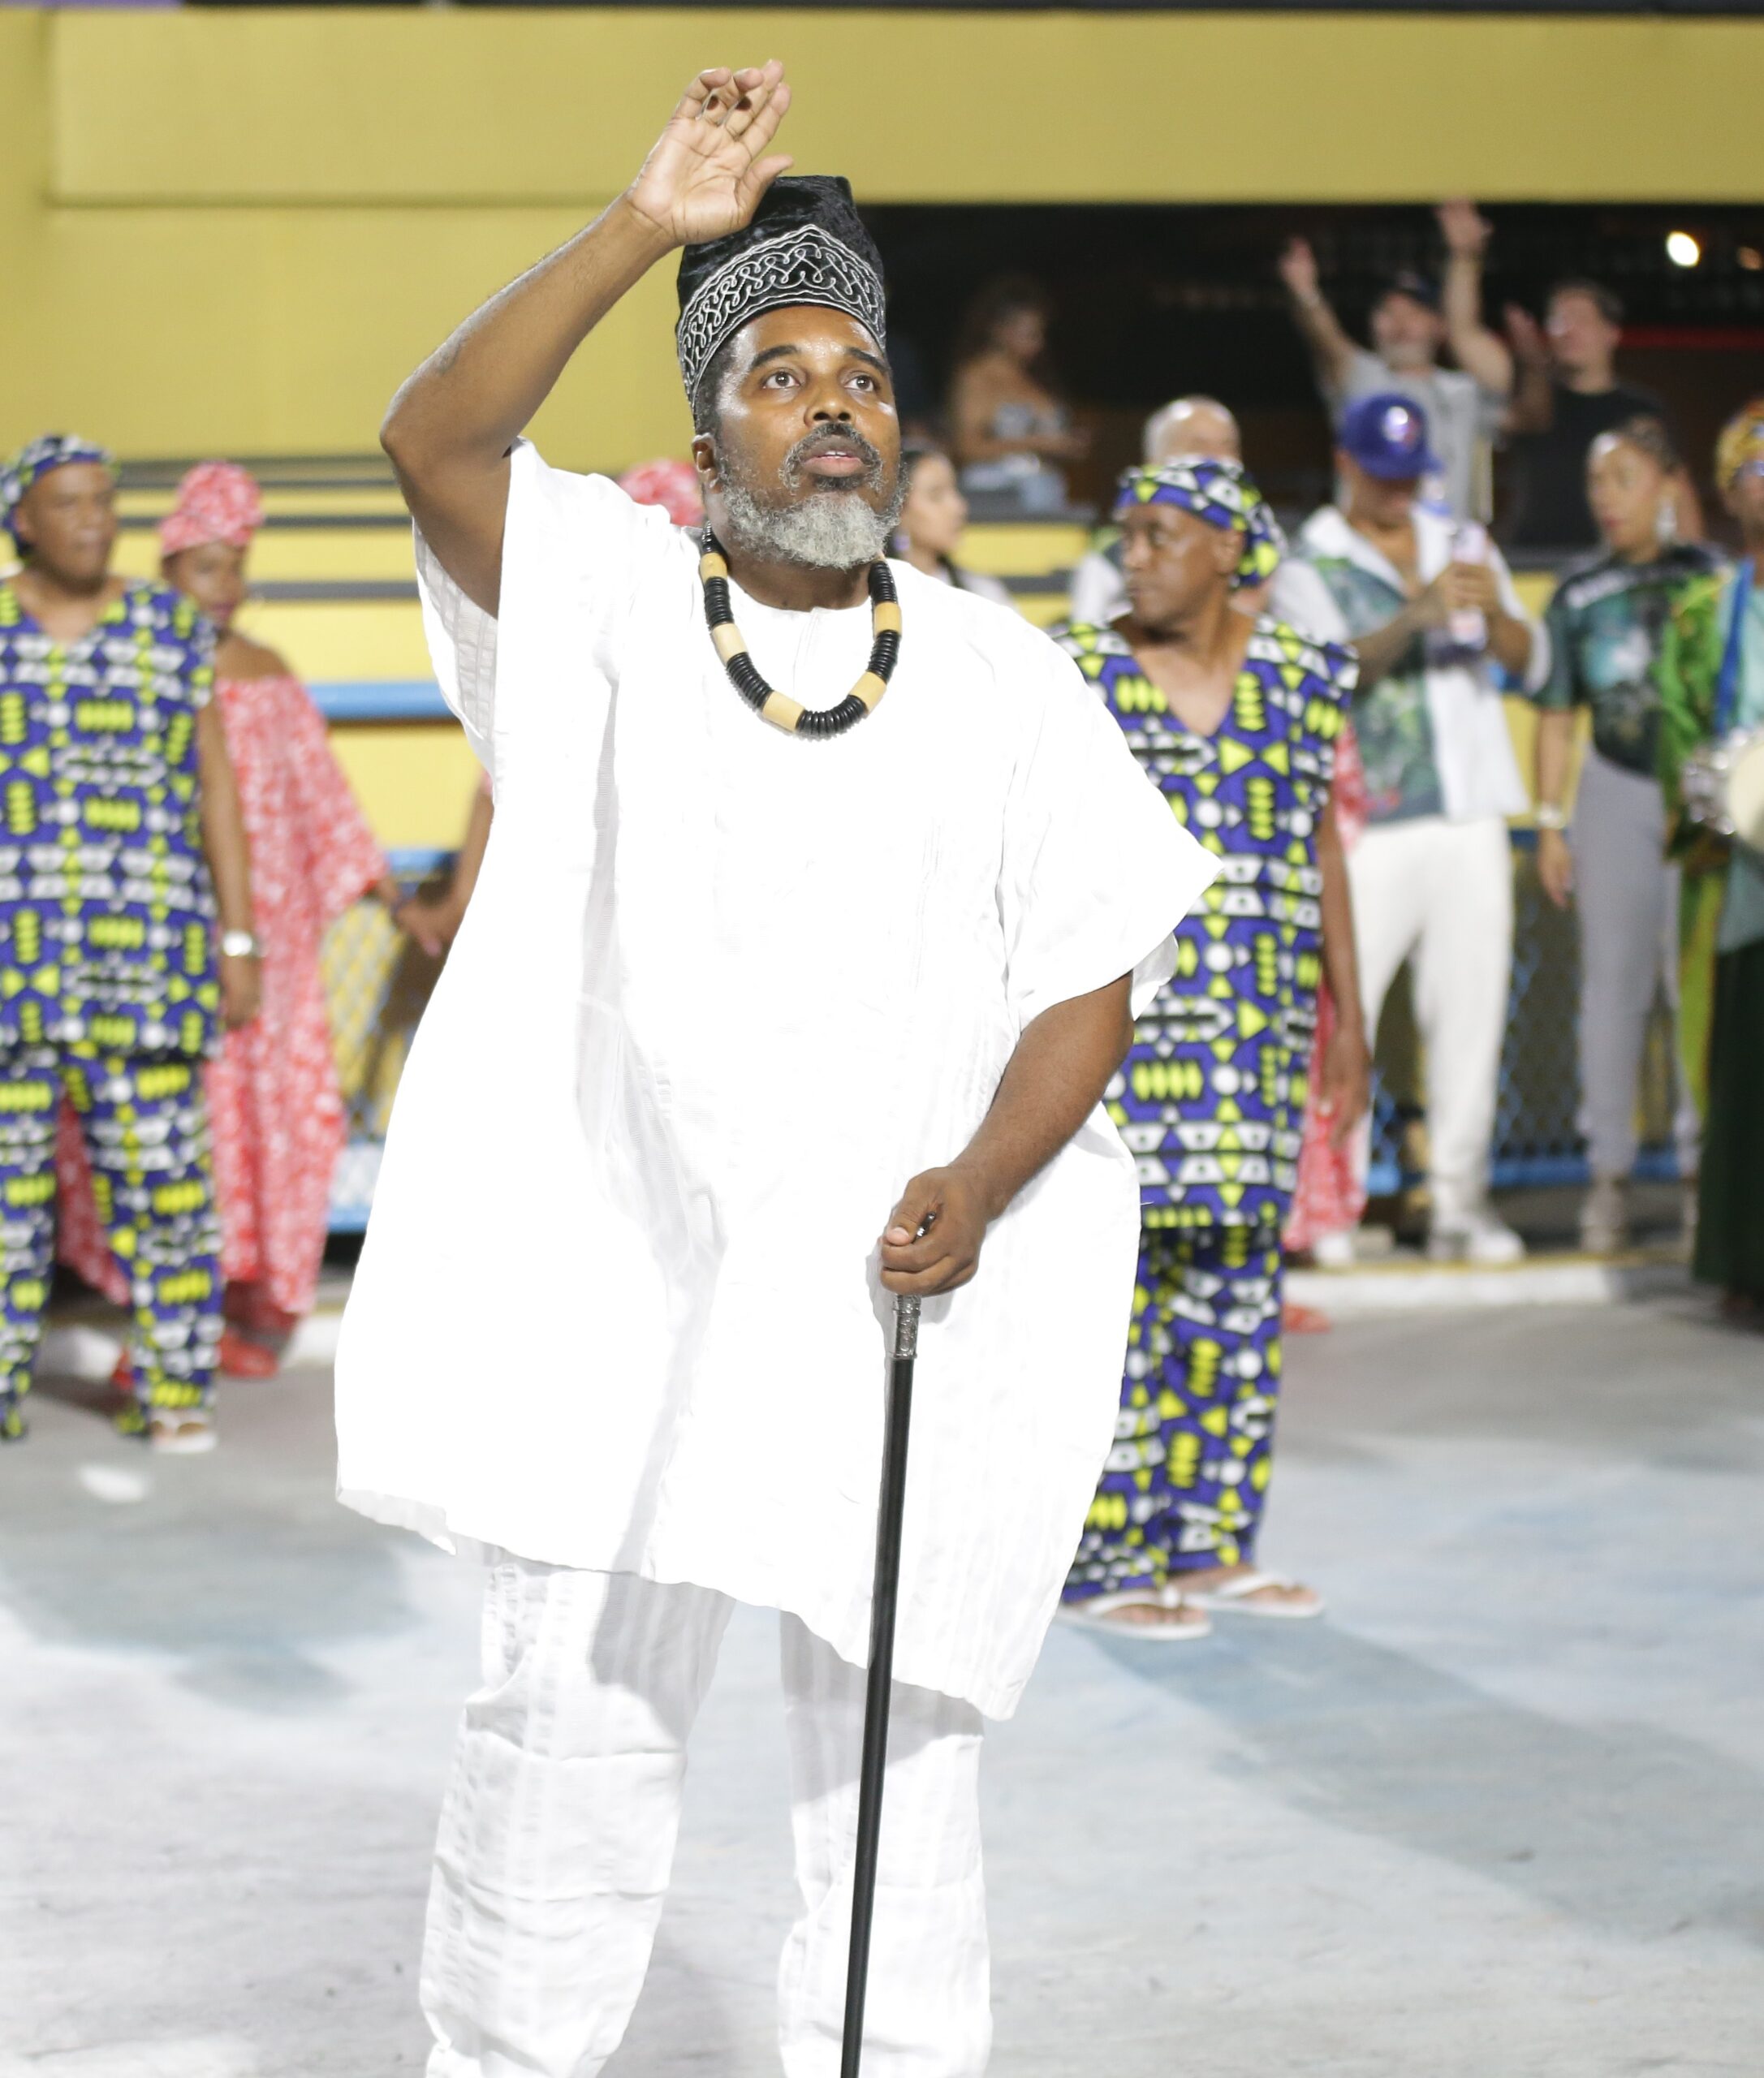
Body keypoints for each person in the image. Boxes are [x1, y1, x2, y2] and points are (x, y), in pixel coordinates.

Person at [334, 63, 1214, 2078]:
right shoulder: (615, 601)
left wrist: (983, 1178)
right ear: (704, 433)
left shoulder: (998, 670)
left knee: (897, 1762)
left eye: (861, 376)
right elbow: (433, 436)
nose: (833, 403)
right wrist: (647, 224)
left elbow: (1089, 968)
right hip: (634, 1274)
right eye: (778, 371)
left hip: (906, 1290)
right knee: (570, 1724)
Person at [1057, 457, 1366, 1635]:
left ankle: (1208, 1546)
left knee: (1238, 1285)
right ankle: (1102, 1556)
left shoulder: (1301, 677)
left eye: (1161, 534)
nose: (1132, 555)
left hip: (1259, 1029)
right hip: (1115, 1033)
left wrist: (1350, 1021)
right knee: (1118, 1289)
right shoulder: (1076, 673)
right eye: (1126, 533)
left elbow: (1323, 847)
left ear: (1232, 552)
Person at [53, 463, 448, 1376]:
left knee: (274, 1123)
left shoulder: (268, 676)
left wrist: (398, 904)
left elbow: (325, 803)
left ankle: (249, 1311)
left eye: (236, 567)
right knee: (172, 1130)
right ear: (167, 568)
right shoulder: (132, 666)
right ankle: (168, 1322)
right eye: (206, 567)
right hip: (159, 944)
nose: (225, 585)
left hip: (271, 955)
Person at [0, 437, 260, 1452]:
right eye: (70, 503)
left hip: (146, 958)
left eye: (105, 502)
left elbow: (215, 788)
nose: (95, 521)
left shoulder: (168, 627)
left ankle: (174, 1387)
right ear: (24, 520)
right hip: (13, 962)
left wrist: (237, 938)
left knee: (164, 1189)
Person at [1296, 394, 1541, 1263]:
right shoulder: (1309, 559)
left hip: (1470, 813)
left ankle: (1460, 1205)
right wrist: (1416, 617)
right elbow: (1326, 673)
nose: (1398, 493)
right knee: (1343, 1021)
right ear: (1345, 463)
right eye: (1381, 475)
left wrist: (1496, 616)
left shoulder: (1462, 542)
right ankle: (1332, 1210)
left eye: (1409, 477)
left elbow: (1531, 662)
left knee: (1470, 1020)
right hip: (1369, 827)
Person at [1532, 420, 1720, 1253]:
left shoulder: (1714, 580)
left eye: (1624, 479)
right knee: (1612, 988)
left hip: (1701, 792)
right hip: (1610, 789)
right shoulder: (1576, 593)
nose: (1606, 498)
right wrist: (1549, 821)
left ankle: (1702, 1174)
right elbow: (1555, 713)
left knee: (1694, 987)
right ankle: (1606, 1175)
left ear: (1669, 485)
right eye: (1596, 482)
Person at [1657, 399, 1764, 1321]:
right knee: (1745, 1066)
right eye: (1754, 468)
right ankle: (1743, 1259)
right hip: (1743, 869)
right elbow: (1678, 732)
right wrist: (1715, 801)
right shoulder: (1702, 614)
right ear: (1728, 492)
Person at [1068, 395, 1347, 642]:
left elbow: (1329, 644)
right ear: (1154, 462)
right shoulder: (1113, 558)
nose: (1220, 461)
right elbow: (1085, 649)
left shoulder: (1271, 550)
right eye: (1199, 447)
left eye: (1229, 447)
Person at [1278, 234, 1503, 522]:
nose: (1400, 324)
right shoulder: (1362, 378)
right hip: (1368, 542)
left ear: (1438, 325)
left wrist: (1465, 259)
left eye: (1414, 313)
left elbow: (1470, 335)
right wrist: (1306, 293)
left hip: (1449, 541)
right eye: (1388, 312)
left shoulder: (1464, 391)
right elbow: (1327, 341)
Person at [1499, 278, 1696, 554]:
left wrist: (1693, 562)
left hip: (1614, 566)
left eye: (1581, 319)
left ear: (1611, 333)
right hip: (1532, 564)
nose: (1568, 330)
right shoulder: (1536, 401)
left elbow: (1678, 494)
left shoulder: (1641, 411)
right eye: (1559, 321)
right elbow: (1466, 338)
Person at [947, 275, 1085, 515]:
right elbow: (967, 448)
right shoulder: (977, 377)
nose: (1039, 344)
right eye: (1029, 334)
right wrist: (1040, 443)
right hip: (999, 496)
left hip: (1047, 492)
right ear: (999, 330)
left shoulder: (1035, 378)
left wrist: (1067, 445)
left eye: (1040, 334)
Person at [891, 442, 1011, 603]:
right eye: (936, 496)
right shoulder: (866, 595)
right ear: (897, 510)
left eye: (955, 491)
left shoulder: (981, 593)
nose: (958, 507)